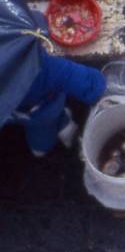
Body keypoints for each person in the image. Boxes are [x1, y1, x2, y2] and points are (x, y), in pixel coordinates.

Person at [5, 11, 105, 157]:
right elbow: (94, 85)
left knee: (38, 146)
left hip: (15, 115)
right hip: (43, 113)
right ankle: (62, 122)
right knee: (42, 141)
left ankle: (57, 126)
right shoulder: (47, 68)